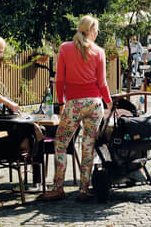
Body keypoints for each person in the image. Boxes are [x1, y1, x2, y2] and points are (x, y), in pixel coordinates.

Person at [42, 16, 113, 201]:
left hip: (74, 104)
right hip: (94, 104)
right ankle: (83, 189)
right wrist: (108, 102)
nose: (97, 33)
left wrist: (61, 103)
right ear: (91, 31)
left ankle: (58, 188)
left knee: (61, 143)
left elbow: (59, 80)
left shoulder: (65, 48)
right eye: (96, 30)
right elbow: (102, 83)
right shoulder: (99, 51)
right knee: (88, 147)